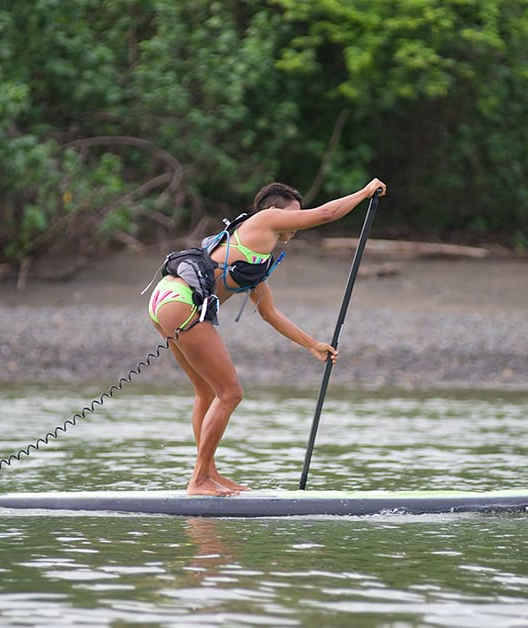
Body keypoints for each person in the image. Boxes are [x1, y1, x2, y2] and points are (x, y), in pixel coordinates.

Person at [147, 178, 387, 496]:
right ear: (275, 211)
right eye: (294, 215)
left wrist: (313, 344)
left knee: (207, 393)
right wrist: (365, 192)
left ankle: (208, 474)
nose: (296, 223)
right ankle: (200, 479)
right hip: (180, 303)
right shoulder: (265, 220)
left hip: (164, 300)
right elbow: (328, 213)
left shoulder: (254, 254)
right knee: (230, 394)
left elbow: (269, 313)